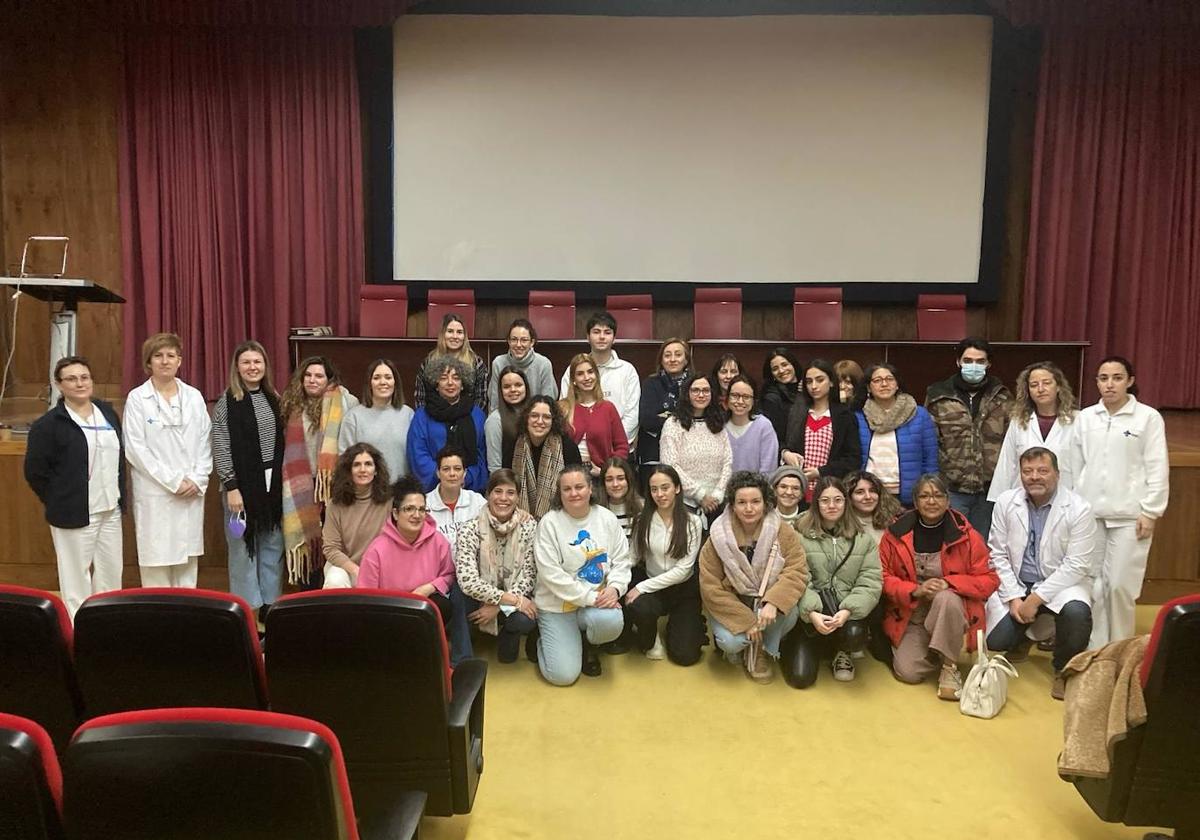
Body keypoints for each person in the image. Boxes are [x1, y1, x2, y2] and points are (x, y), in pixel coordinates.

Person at [1073, 356, 1168, 648]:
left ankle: (1122, 650)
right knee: (1094, 585)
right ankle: (1096, 651)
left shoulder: (1147, 417)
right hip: (1091, 515)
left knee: (1119, 586)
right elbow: (1076, 467)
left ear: (1130, 381)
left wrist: (1151, 511)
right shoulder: (1086, 418)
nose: (1109, 384)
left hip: (1130, 516)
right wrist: (1076, 508)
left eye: (1116, 377)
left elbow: (1157, 466)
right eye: (1103, 378)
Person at [985, 447, 1095, 700]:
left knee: (1077, 612)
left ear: (1057, 474)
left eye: (1043, 471)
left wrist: (1034, 600)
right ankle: (1025, 636)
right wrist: (1014, 598)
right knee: (996, 642)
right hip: (1018, 581)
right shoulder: (1006, 502)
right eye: (1028, 471)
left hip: (1061, 585)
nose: (1034, 477)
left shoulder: (1079, 508)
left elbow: (1077, 564)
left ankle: (1064, 669)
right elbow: (997, 554)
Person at [879, 473, 999, 701]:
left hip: (954, 610)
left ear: (947, 500)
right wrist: (914, 590)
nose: (931, 501)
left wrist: (949, 583)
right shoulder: (894, 534)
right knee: (908, 673)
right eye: (924, 496)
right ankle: (939, 647)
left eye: (937, 495)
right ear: (915, 503)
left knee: (946, 598)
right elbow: (882, 577)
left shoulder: (968, 536)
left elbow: (989, 579)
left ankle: (949, 667)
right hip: (911, 612)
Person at [24, 356, 125, 619]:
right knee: (76, 580)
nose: (80, 383)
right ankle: (78, 633)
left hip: (110, 509)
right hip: (73, 513)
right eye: (71, 379)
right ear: (59, 385)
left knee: (111, 574)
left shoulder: (107, 412)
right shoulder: (49, 425)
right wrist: (59, 499)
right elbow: (35, 472)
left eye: (84, 377)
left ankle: (108, 627)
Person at [699, 471, 807, 684]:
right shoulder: (717, 537)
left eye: (755, 501)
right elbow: (710, 586)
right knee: (731, 642)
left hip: (767, 602)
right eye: (742, 502)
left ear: (765, 502)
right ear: (732, 504)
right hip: (734, 603)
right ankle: (743, 642)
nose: (749, 508)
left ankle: (762, 649)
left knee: (791, 611)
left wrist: (773, 602)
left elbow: (797, 569)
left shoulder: (783, 531)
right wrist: (747, 621)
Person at [123, 333, 211, 588]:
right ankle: (157, 620)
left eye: (170, 356)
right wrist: (173, 481)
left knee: (187, 564)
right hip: (156, 492)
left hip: (191, 491)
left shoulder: (193, 396)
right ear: (148, 363)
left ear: (179, 361)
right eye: (158, 356)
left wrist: (198, 478)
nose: (165, 361)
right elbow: (136, 449)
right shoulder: (138, 399)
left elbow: (206, 441)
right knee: (156, 563)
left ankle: (185, 621)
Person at [533, 464, 631, 685]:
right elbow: (551, 575)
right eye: (567, 489)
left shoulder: (606, 518)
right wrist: (592, 598)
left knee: (612, 622)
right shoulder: (549, 523)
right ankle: (543, 640)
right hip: (558, 606)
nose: (574, 493)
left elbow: (622, 561)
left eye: (579, 487)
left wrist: (615, 588)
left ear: (590, 489)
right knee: (563, 677)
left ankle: (587, 644)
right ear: (560, 493)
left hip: (595, 603)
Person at [782, 477, 881, 687]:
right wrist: (812, 612)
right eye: (825, 500)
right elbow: (796, 576)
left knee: (854, 633)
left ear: (846, 502)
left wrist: (848, 611)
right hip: (809, 614)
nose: (832, 506)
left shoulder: (863, 538)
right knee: (801, 679)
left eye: (838, 500)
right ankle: (810, 645)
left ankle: (841, 650)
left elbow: (870, 580)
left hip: (843, 613)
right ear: (816, 503)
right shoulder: (798, 533)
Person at [211, 340, 285, 618]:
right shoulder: (226, 403)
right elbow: (221, 447)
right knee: (242, 551)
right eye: (246, 362)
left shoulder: (274, 398)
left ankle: (269, 610)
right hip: (238, 490)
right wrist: (231, 487)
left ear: (265, 366)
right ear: (237, 368)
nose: (252, 367)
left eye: (258, 362)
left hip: (271, 485)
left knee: (272, 547)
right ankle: (247, 612)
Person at [278, 356, 359, 585]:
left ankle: (332, 589)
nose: (313, 380)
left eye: (319, 376)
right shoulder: (291, 404)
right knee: (308, 536)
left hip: (333, 483)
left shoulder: (345, 401)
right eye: (308, 375)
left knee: (332, 539)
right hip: (301, 483)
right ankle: (309, 590)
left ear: (329, 379)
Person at [925, 337, 1011, 538]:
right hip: (952, 487)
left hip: (990, 489)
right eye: (968, 360)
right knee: (952, 543)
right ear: (958, 362)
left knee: (982, 546)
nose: (974, 366)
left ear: (988, 364)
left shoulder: (1003, 396)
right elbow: (930, 442)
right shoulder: (938, 395)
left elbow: (1010, 442)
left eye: (980, 361)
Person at [454, 469, 539, 663]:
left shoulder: (529, 526)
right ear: (488, 495)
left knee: (525, 619)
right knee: (458, 591)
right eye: (498, 491)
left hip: (510, 597)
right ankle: (461, 658)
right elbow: (468, 581)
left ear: (518, 497)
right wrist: (508, 600)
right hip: (481, 596)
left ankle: (508, 633)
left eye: (510, 492)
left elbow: (529, 576)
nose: (503, 498)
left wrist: (499, 606)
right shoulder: (469, 529)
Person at [623, 465, 706, 664]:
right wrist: (611, 575)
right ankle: (651, 636)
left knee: (685, 656)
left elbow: (684, 570)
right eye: (654, 489)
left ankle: (685, 625)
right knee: (637, 605)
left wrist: (641, 587)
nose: (659, 494)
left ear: (677, 488)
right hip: (653, 584)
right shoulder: (643, 519)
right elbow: (633, 556)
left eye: (665, 487)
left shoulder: (692, 522)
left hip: (683, 590)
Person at [358, 475, 456, 625]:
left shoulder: (438, 541)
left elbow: (448, 575)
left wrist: (429, 587)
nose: (416, 515)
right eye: (409, 509)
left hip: (423, 610)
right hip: (388, 613)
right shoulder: (376, 550)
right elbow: (366, 596)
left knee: (442, 605)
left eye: (422, 509)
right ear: (396, 513)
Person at [988, 361, 1078, 501]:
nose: (1040, 389)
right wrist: (999, 501)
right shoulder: (1018, 421)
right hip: (1023, 499)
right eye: (1034, 385)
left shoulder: (1078, 420)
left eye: (1047, 383)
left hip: (1066, 499)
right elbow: (1007, 463)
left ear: (1059, 386)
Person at [855, 363, 939, 507]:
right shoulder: (858, 416)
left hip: (909, 496)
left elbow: (930, 458)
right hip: (869, 495)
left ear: (897, 384)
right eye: (877, 380)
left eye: (889, 379)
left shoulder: (918, 415)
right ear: (868, 387)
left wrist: (928, 491)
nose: (884, 384)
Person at [557, 311, 640, 449]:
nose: (602, 337)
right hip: (578, 450)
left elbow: (632, 415)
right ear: (588, 337)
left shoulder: (627, 371)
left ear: (614, 338)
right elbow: (565, 410)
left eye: (607, 332)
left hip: (617, 451)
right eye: (596, 332)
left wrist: (611, 445)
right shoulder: (572, 369)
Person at [782, 358, 862, 499]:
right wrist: (785, 453)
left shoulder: (844, 416)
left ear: (831, 382)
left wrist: (820, 472)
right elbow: (782, 442)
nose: (814, 386)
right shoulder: (797, 412)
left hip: (831, 492)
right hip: (797, 492)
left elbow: (853, 459)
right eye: (809, 381)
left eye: (820, 380)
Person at [407, 355, 487, 493]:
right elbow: (418, 454)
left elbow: (482, 454)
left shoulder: (477, 415)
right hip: (433, 491)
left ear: (463, 385)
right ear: (436, 385)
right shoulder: (422, 416)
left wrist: (466, 478)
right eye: (443, 378)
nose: (450, 383)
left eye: (456, 378)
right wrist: (445, 478)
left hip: (469, 491)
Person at [659, 373, 732, 522]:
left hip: (718, 504)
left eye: (706, 391)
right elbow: (670, 465)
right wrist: (700, 495)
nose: (701, 395)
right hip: (685, 504)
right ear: (687, 394)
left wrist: (717, 494)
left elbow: (728, 461)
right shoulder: (673, 424)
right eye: (695, 390)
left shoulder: (718, 423)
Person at [321, 443, 391, 589]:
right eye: (357, 465)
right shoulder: (335, 505)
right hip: (346, 568)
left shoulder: (390, 501)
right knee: (335, 580)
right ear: (349, 470)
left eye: (368, 464)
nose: (363, 470)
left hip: (380, 569)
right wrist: (356, 570)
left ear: (376, 470)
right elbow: (331, 548)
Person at [339, 358, 414, 482]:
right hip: (367, 493)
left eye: (388, 377)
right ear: (369, 383)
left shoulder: (408, 414)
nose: (383, 382)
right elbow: (345, 460)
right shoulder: (353, 417)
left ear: (395, 383)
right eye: (377, 377)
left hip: (401, 492)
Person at [559, 354, 629, 479]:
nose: (586, 377)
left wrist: (607, 471)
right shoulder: (563, 407)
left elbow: (622, 446)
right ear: (573, 380)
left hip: (601, 477)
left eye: (590, 372)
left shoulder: (608, 408)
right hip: (569, 476)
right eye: (580, 374)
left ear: (596, 375)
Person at [512, 396, 582, 518]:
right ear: (526, 418)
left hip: (561, 515)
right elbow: (508, 484)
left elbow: (576, 486)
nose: (540, 421)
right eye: (534, 416)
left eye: (546, 417)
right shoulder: (514, 445)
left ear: (553, 421)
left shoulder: (568, 447)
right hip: (520, 516)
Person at [637, 338, 692, 476]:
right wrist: (681, 418)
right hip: (654, 453)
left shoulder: (696, 384)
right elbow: (647, 420)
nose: (672, 359)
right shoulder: (650, 384)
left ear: (686, 360)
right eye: (667, 355)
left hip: (689, 453)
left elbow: (697, 420)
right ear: (661, 360)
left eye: (678, 355)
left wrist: (666, 416)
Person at [414, 314, 489, 412]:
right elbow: (420, 398)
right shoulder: (429, 361)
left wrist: (471, 420)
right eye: (450, 331)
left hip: (467, 419)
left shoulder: (476, 363)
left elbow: (481, 399)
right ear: (442, 334)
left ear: (464, 336)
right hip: (434, 418)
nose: (455, 336)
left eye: (459, 332)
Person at [488, 318, 556, 411]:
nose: (518, 345)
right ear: (508, 341)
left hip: (535, 419)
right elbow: (495, 404)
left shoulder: (544, 364)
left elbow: (548, 404)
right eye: (514, 340)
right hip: (506, 418)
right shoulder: (498, 363)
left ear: (532, 342)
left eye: (524, 340)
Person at [725, 375, 779, 475]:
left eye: (746, 397)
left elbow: (768, 470)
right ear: (727, 398)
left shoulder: (763, 426)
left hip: (756, 489)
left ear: (754, 401)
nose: (740, 401)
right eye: (735, 395)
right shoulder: (719, 426)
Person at [485, 366, 529, 473]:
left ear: (526, 387)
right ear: (500, 391)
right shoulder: (495, 420)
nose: (513, 390)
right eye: (507, 386)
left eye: (518, 385)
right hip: (509, 483)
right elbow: (495, 467)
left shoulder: (535, 414)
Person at [844, 470, 901, 546]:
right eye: (860, 492)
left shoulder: (892, 523)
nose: (868, 497)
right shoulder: (841, 526)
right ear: (849, 497)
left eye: (872, 491)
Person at [760, 347, 802, 444]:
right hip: (785, 452)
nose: (781, 370)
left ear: (793, 365)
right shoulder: (771, 398)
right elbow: (772, 436)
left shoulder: (808, 388)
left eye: (784, 365)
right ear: (772, 375)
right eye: (775, 369)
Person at [594, 456, 643, 540]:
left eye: (620, 478)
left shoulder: (642, 508)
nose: (615, 484)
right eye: (609, 480)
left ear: (628, 481)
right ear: (603, 483)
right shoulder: (595, 512)